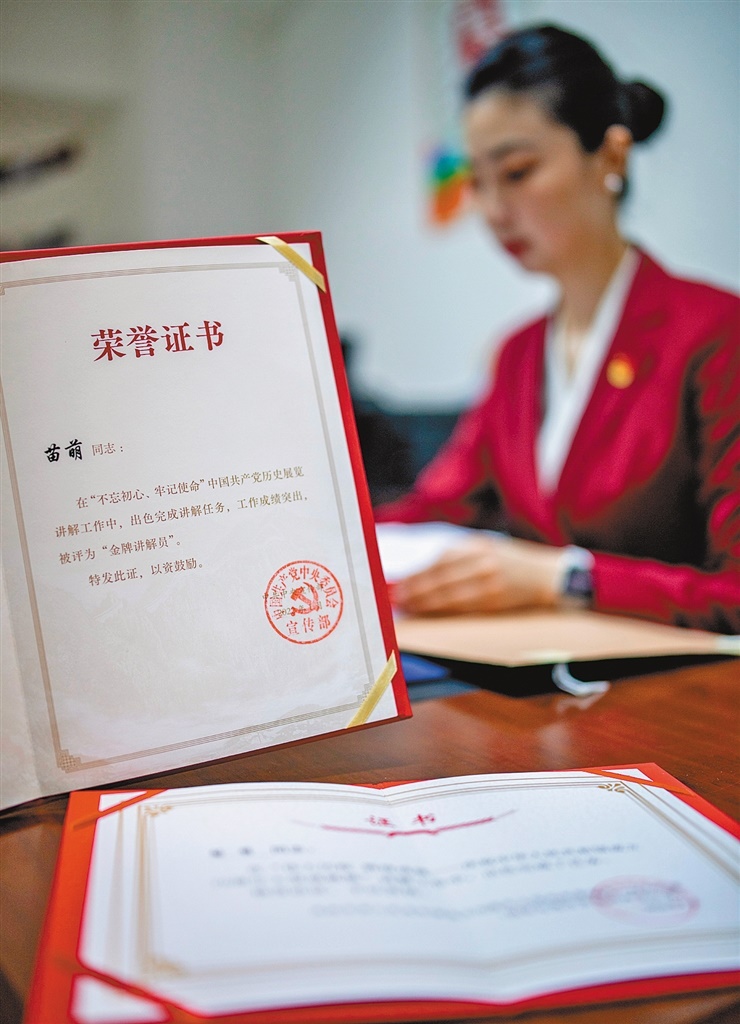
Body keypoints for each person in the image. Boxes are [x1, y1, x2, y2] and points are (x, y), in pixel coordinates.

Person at [376, 24, 740, 634]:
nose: (493, 211)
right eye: (478, 183)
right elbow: (435, 506)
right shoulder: (518, 354)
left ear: (612, 157)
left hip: (676, 683)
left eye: (517, 172)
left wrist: (564, 577)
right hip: (541, 675)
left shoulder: (714, 333)